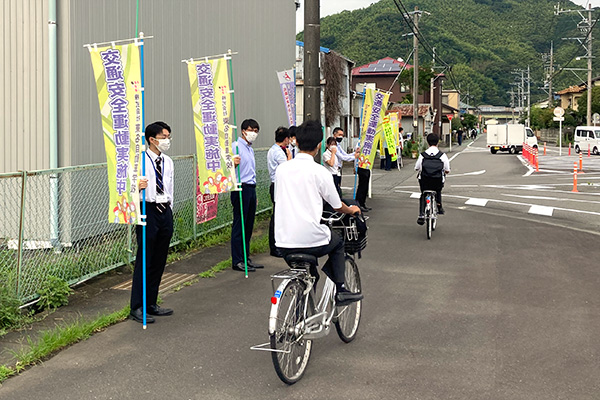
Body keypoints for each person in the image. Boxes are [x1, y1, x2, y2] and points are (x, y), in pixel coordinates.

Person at [274, 120, 363, 305]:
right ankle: (341, 290)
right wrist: (351, 210)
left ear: (296, 142)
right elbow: (337, 205)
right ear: (319, 144)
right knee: (337, 243)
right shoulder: (319, 171)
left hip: (283, 241)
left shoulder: (282, 170)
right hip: (310, 239)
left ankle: (302, 316)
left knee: (310, 275)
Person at [130, 121, 174, 323]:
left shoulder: (168, 161)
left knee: (159, 259)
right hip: (147, 209)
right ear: (152, 139)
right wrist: (136, 186)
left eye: (168, 136)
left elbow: (170, 187)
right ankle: (137, 306)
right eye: (164, 137)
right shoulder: (139, 161)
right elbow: (126, 189)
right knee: (145, 259)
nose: (167, 140)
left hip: (164, 210)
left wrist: (169, 210)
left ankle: (151, 303)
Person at [231, 118, 264, 272]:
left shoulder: (249, 148)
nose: (253, 134)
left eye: (256, 131)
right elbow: (225, 167)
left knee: (249, 225)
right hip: (240, 187)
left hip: (250, 187)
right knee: (240, 225)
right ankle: (237, 260)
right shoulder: (236, 146)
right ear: (243, 131)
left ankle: (246, 258)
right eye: (251, 130)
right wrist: (232, 163)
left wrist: (254, 194)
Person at [415, 133, 451, 225]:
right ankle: (439, 207)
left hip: (424, 180)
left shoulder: (423, 155)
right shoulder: (442, 155)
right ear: (438, 142)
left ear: (428, 142)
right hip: (437, 180)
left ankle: (421, 215)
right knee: (438, 190)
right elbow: (447, 170)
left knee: (423, 194)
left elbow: (417, 168)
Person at [267, 126, 291, 257]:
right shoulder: (278, 152)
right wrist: (289, 157)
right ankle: (275, 247)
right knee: (277, 216)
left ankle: (277, 245)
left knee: (278, 215)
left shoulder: (274, 150)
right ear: (286, 139)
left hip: (276, 185)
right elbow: (287, 168)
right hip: (278, 185)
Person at [332, 127, 359, 198]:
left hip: (338, 168)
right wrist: (354, 157)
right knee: (335, 187)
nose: (341, 137)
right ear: (334, 135)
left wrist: (354, 153)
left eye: (342, 135)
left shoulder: (338, 145)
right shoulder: (333, 145)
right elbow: (343, 157)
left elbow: (345, 155)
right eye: (339, 134)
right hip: (334, 169)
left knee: (338, 185)